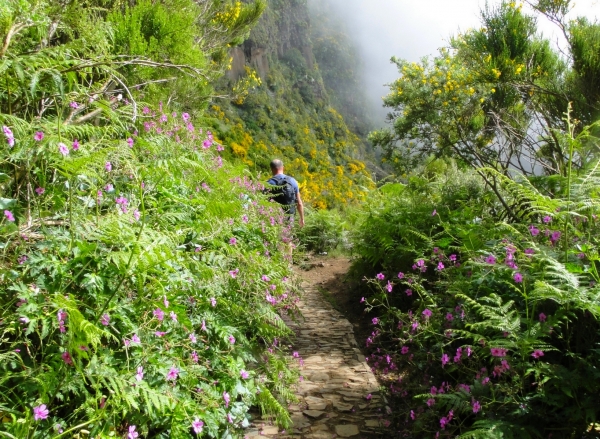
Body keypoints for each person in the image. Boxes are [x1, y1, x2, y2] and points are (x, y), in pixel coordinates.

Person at [266, 159, 305, 228]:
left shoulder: (269, 183)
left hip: (273, 220)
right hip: (289, 219)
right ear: (283, 168)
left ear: (271, 169)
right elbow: (299, 203)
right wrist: (302, 219)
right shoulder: (293, 181)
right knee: (287, 237)